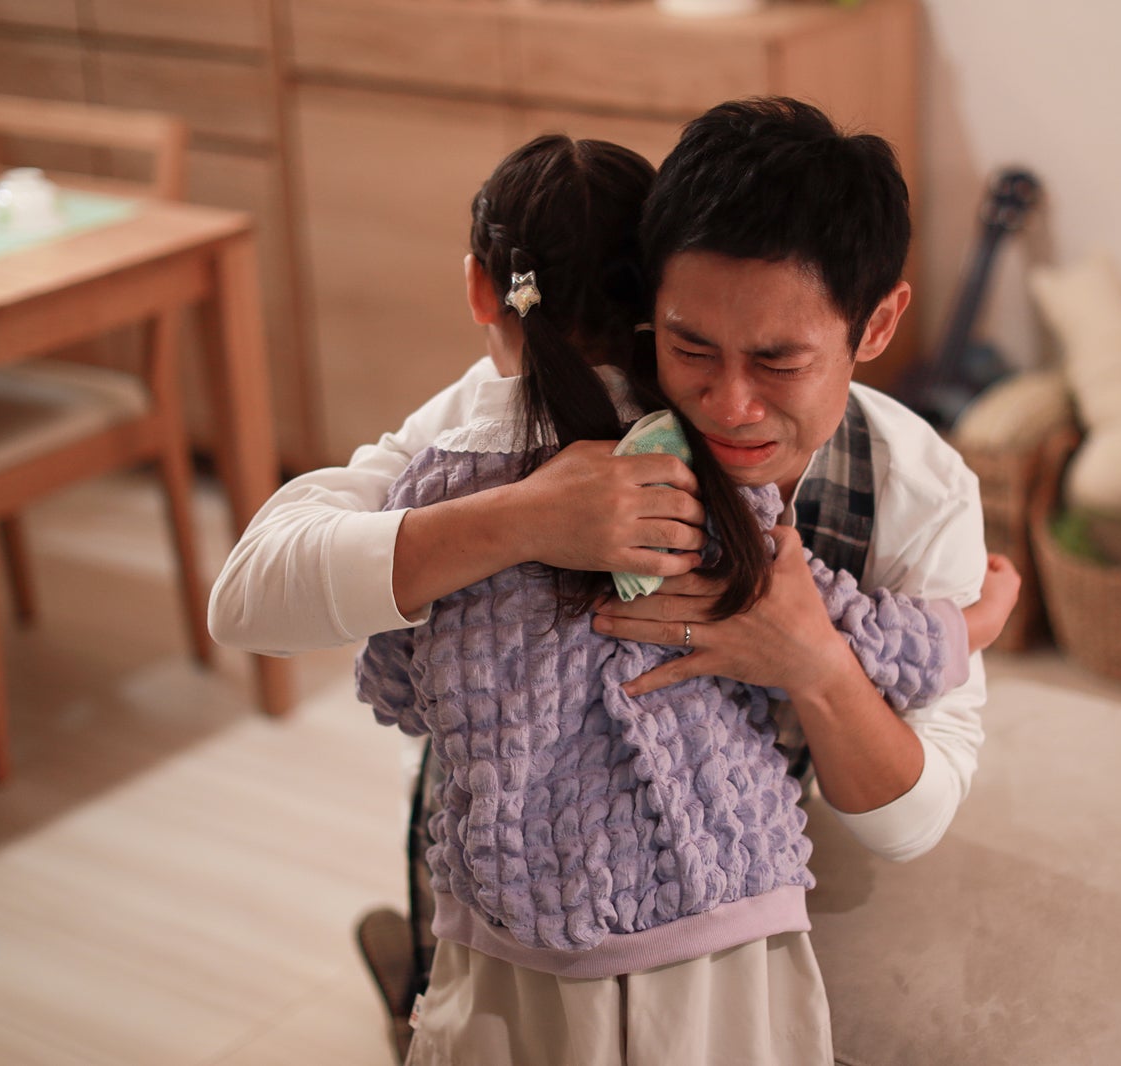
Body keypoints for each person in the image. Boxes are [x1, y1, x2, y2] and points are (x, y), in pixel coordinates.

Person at [209, 96, 1008, 1061]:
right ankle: (414, 978)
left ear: (876, 324)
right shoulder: (493, 421)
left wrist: (814, 661)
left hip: (721, 870)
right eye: (688, 346)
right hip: (504, 865)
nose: (728, 404)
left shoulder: (917, 487)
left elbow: (913, 820)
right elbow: (249, 598)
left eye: (778, 361)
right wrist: (521, 518)